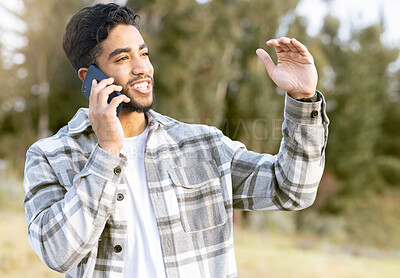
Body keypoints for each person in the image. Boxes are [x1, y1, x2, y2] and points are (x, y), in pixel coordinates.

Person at [23, 3, 329, 278]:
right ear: (89, 78)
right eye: (123, 58)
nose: (142, 66)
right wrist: (107, 152)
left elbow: (292, 190)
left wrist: (302, 99)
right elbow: (57, 253)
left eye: (143, 53)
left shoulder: (203, 145)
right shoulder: (49, 156)